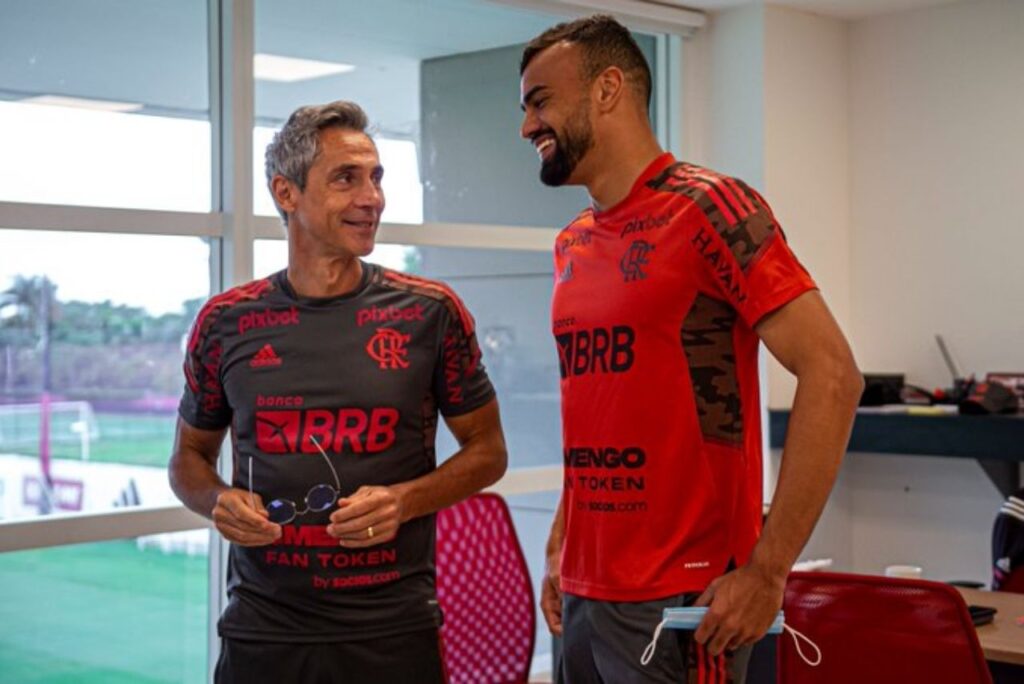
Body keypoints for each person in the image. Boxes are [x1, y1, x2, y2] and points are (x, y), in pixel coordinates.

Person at [519, 15, 862, 684]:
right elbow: (604, 405)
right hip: (585, 593)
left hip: (685, 598)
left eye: (540, 101)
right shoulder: (572, 243)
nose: (527, 126)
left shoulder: (711, 208)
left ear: (607, 89)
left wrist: (769, 570)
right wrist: (565, 539)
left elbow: (834, 374)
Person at [168, 100, 507, 683]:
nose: (371, 197)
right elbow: (187, 461)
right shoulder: (226, 322)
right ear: (286, 192)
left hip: (392, 631)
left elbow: (489, 453)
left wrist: (405, 501)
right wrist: (217, 500)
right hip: (262, 630)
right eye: (346, 179)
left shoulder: (429, 312)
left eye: (376, 178)